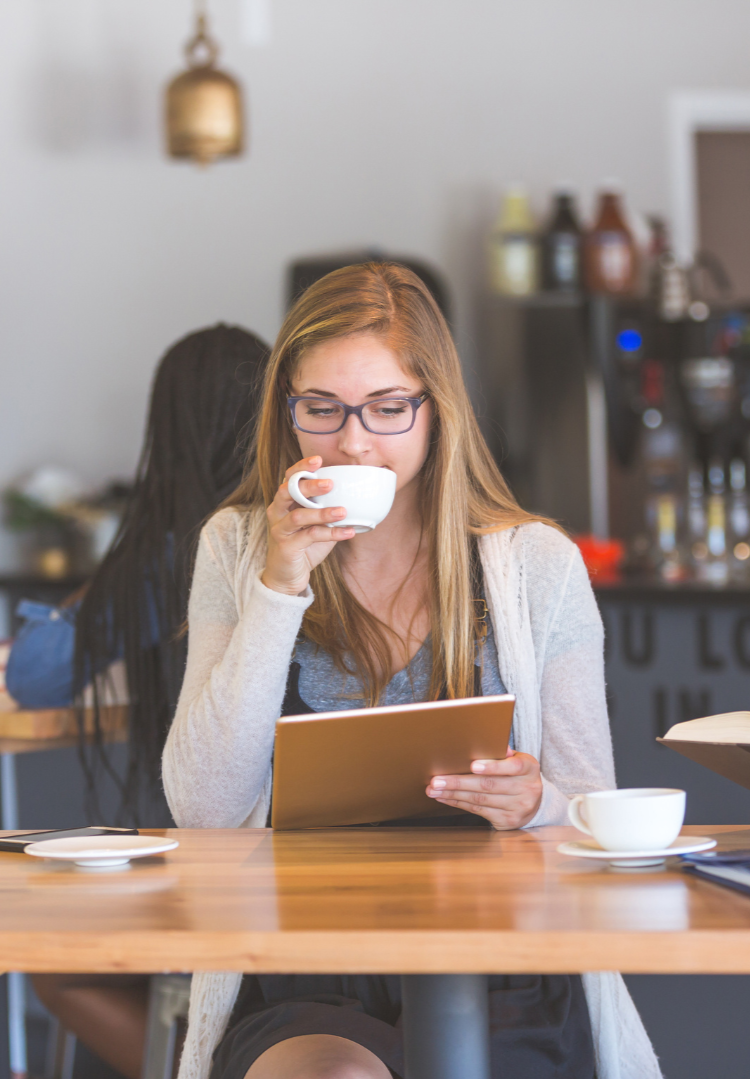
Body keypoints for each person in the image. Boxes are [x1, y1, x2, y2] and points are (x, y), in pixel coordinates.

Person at [161, 263, 661, 1079]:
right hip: (309, 966)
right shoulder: (239, 547)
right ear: (286, 410)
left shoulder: (538, 565)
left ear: (438, 411)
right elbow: (205, 806)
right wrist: (280, 586)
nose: (352, 441)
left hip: (506, 965)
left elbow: (592, 811)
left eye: (388, 409)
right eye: (320, 410)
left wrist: (535, 801)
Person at [4, 324, 267, 1079]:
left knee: (50, 963)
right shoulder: (293, 540)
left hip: (211, 867)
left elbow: (34, 672)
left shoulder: (172, 559)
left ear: (171, 431)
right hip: (290, 861)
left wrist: (107, 583)